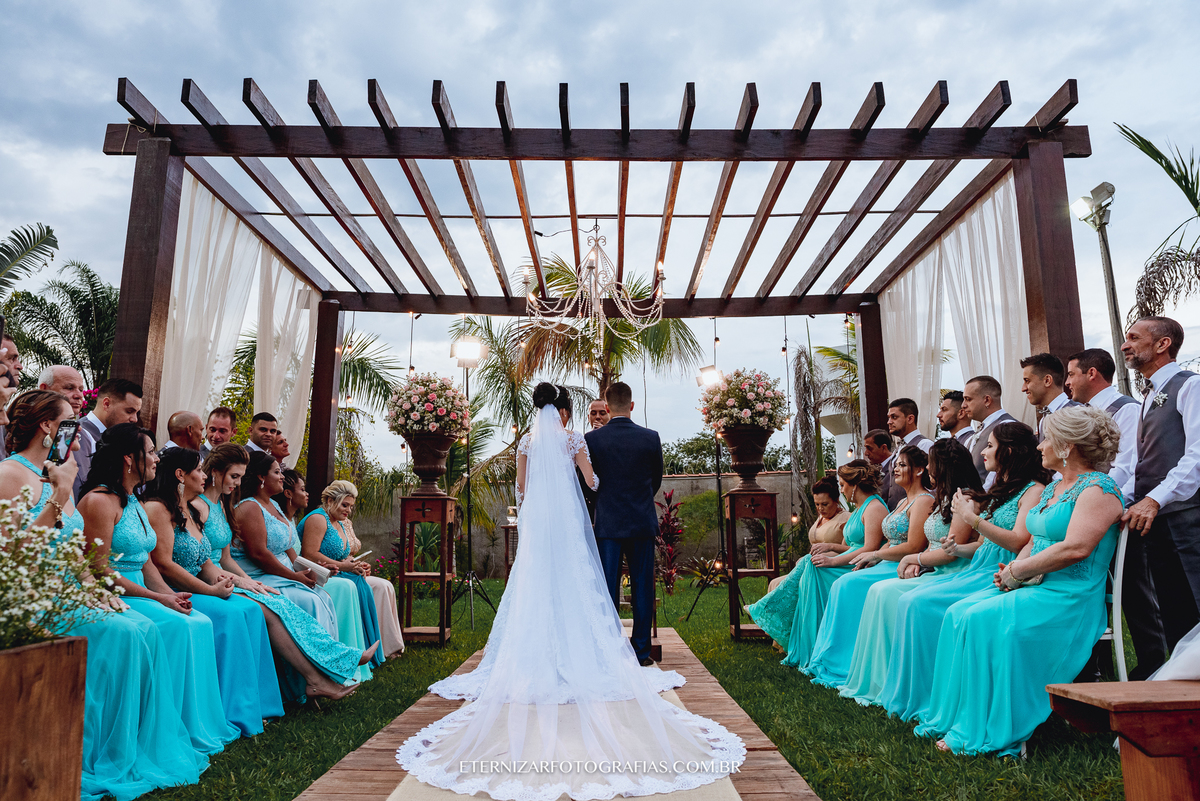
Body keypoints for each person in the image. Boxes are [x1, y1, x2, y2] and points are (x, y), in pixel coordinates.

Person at [396, 382, 744, 800]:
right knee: (588, 589)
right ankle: (625, 650)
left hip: (542, 530)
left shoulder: (528, 441)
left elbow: (522, 491)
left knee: (541, 589)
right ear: (563, 409)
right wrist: (602, 488)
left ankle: (538, 654)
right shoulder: (582, 438)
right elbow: (595, 482)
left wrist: (543, 507)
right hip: (594, 524)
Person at [0, 390, 209, 798]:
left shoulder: (54, 471)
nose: (77, 437)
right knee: (126, 633)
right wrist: (60, 494)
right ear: (48, 427)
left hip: (71, 590)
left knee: (142, 627)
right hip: (33, 600)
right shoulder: (11, 475)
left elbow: (73, 549)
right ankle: (94, 751)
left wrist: (96, 592)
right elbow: (12, 555)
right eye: (70, 425)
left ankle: (130, 747)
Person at [915, 406, 1123, 756]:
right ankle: (960, 716)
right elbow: (1032, 540)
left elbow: (1076, 548)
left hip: (1069, 597)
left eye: (1047, 439)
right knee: (959, 613)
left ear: (1067, 446)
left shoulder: (1099, 490)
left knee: (978, 619)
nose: (1040, 446)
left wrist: (1018, 571)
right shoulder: (1057, 487)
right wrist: (1013, 574)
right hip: (1037, 586)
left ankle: (996, 727)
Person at [77, 422, 240, 756]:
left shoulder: (134, 501)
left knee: (198, 621)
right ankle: (152, 733)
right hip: (116, 592)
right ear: (128, 458)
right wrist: (156, 598)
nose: (155, 458)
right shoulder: (99, 502)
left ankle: (189, 725)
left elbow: (147, 563)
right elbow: (98, 568)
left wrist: (167, 594)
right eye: (150, 452)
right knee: (180, 627)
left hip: (142, 587)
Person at [877, 422, 1048, 722]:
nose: (983, 450)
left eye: (991, 445)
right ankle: (920, 693)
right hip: (979, 564)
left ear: (1008, 451)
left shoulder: (1034, 491)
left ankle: (935, 697)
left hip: (999, 570)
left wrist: (972, 518)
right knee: (912, 601)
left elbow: (1019, 540)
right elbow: (981, 545)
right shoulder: (1002, 490)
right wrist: (957, 549)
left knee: (919, 602)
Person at [197, 444, 368, 702]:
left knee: (312, 597)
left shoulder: (222, 506)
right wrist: (251, 580)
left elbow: (225, 557)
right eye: (234, 476)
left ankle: (334, 666)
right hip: (223, 577)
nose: (237, 483)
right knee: (288, 603)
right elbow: (251, 555)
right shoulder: (214, 507)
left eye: (240, 477)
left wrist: (251, 581)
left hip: (237, 575)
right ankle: (316, 678)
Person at [144, 447, 284, 736]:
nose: (204, 474)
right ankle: (233, 710)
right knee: (231, 616)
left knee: (249, 609)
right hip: (175, 588)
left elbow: (206, 560)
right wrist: (211, 591)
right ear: (181, 475)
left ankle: (257, 705)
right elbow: (165, 565)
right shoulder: (157, 508)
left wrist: (232, 582)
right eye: (198, 469)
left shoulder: (191, 509)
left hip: (201, 584)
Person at [839, 438, 982, 706]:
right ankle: (879, 678)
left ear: (944, 467)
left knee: (891, 593)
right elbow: (931, 543)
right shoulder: (943, 499)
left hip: (955, 571)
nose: (928, 468)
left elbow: (952, 551)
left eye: (931, 463)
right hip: (932, 567)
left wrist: (915, 558)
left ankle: (903, 683)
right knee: (880, 591)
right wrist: (920, 560)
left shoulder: (964, 501)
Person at [803, 446, 933, 687]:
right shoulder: (904, 501)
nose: (896, 469)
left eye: (902, 465)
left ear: (918, 471)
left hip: (897, 561)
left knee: (847, 584)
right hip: (884, 557)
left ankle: (846, 659)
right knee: (840, 581)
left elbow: (914, 545)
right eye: (897, 464)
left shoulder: (924, 501)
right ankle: (830, 655)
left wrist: (875, 554)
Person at [1066, 347, 1158, 678]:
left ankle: (1153, 665)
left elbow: (1129, 465)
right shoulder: (1083, 413)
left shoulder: (1127, 410)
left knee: (1134, 593)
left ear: (1092, 373)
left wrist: (1100, 502)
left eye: (1071, 373)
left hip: (1116, 512)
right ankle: (1097, 667)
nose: (1068, 382)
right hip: (1090, 509)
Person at [1117, 316, 1200, 675]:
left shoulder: (1190, 387)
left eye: (1134, 338)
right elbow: (1140, 461)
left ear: (1162, 344)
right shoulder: (1148, 396)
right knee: (1174, 611)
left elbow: (1197, 454)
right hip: (1156, 521)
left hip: (1188, 518)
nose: (1125, 345)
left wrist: (1155, 498)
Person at [781, 461, 888, 671]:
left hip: (865, 564)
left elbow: (870, 548)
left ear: (854, 485)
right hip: (850, 559)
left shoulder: (874, 507)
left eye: (842, 484)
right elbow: (850, 546)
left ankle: (818, 647)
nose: (841, 490)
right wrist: (830, 549)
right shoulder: (860, 509)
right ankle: (810, 647)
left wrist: (832, 561)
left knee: (816, 568)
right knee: (812, 565)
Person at [585, 381, 663, 666]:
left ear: (606, 407)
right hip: (642, 521)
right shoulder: (651, 437)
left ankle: (608, 652)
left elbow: (588, 482)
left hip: (608, 524)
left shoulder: (592, 440)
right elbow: (656, 479)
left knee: (606, 588)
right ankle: (641, 652)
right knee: (643, 586)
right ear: (631, 405)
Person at [231, 450, 339, 636]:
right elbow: (259, 554)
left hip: (280, 573)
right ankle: (308, 661)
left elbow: (291, 553)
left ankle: (330, 657)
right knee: (310, 600)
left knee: (324, 596)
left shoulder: (274, 505)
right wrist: (293, 577)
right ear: (261, 476)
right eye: (276, 472)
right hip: (259, 574)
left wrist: (317, 568)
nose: (282, 477)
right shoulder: (249, 506)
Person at [297, 479, 404, 658]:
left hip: (341, 571)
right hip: (322, 574)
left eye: (351, 506)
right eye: (345, 505)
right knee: (359, 585)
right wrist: (344, 566)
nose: (348, 510)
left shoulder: (340, 523)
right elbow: (309, 554)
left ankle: (387, 646)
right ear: (330, 501)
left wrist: (356, 564)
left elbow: (343, 555)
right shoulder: (317, 518)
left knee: (383, 585)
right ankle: (360, 646)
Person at [750, 477, 850, 647]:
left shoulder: (845, 519)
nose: (820, 508)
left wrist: (826, 549)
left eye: (824, 504)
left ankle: (787, 633)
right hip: (811, 564)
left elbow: (848, 551)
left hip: (829, 568)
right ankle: (784, 638)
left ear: (836, 499)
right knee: (775, 582)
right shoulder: (820, 518)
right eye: (817, 504)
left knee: (787, 585)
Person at [76, 378, 143, 499]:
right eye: (129, 411)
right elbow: (79, 487)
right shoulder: (80, 434)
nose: (134, 419)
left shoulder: (120, 437)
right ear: (106, 404)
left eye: (136, 413)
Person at [961, 375, 1016, 487]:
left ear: (987, 400)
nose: (963, 405)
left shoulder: (1006, 426)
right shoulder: (981, 429)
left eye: (968, 399)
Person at [1020, 352, 1081, 442]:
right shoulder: (1043, 420)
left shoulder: (1078, 413)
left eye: (1027, 381)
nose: (1023, 388)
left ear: (1047, 381)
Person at [863, 428, 902, 509]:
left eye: (869, 448)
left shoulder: (898, 468)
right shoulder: (873, 469)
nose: (866, 453)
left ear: (884, 448)